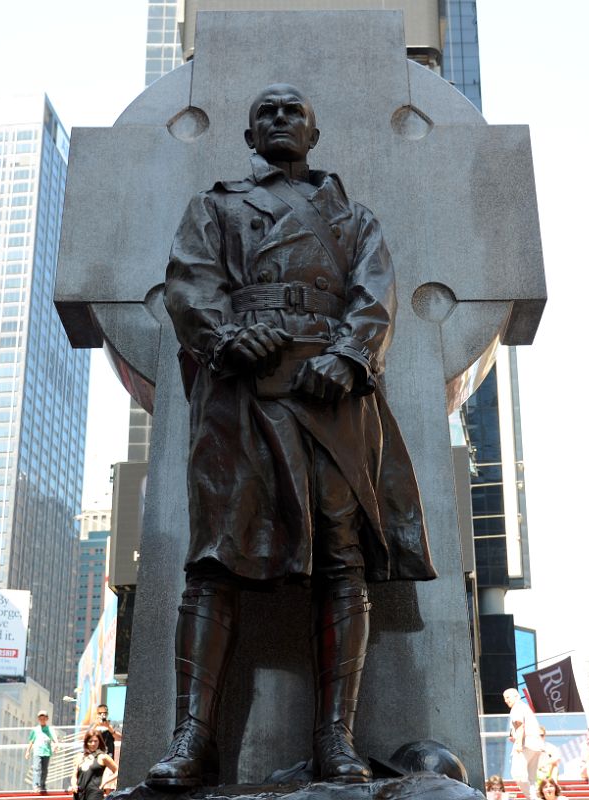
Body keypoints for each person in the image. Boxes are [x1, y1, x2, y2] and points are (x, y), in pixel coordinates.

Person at [148, 83, 436, 789]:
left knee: (343, 560)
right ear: (249, 138)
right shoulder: (216, 207)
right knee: (214, 559)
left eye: (293, 111)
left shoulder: (353, 219)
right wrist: (226, 338)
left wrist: (348, 357)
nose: (279, 119)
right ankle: (191, 740)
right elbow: (189, 285)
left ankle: (336, 740)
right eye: (265, 113)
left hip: (329, 396)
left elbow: (376, 297)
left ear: (313, 132)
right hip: (239, 394)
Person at [503, 688, 542, 799]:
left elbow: (520, 725)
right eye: (504, 698)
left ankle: (533, 798)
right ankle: (535, 797)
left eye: (507, 697)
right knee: (531, 780)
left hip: (526, 744)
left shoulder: (517, 707)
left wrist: (519, 743)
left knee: (517, 774)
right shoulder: (525, 707)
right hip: (536, 745)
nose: (506, 700)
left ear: (516, 696)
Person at [70, 729, 120, 800]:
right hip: (79, 792)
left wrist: (105, 782)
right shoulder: (80, 756)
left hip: (95, 793)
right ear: (86, 742)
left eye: (96, 741)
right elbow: (74, 775)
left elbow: (117, 771)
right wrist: (74, 784)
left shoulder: (103, 757)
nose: (93, 743)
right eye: (90, 741)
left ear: (99, 742)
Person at [25, 711, 57, 795]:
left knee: (44, 770)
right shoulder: (35, 730)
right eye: (40, 718)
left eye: (44, 718)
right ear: (38, 719)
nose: (42, 719)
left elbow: (54, 739)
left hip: (46, 752)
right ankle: (36, 785)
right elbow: (31, 741)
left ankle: (42, 785)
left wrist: (55, 746)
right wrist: (27, 751)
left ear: (47, 719)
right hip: (37, 752)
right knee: (37, 768)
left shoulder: (49, 729)